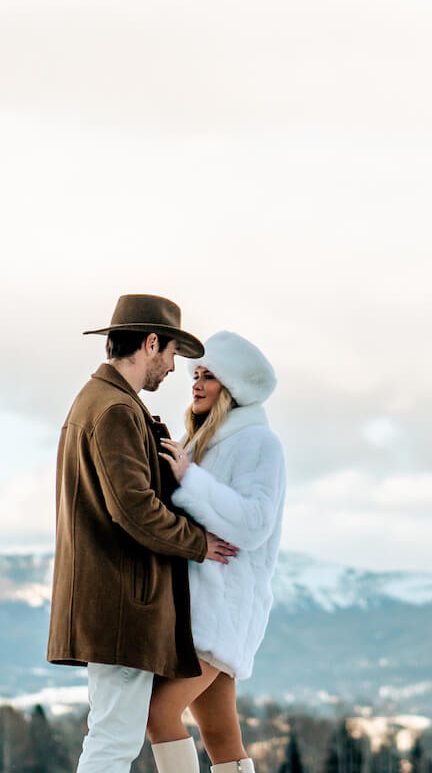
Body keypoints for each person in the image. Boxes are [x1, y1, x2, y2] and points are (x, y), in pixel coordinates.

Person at [48, 294, 241, 773]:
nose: (175, 368)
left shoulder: (108, 402)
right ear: (151, 343)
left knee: (113, 732)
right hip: (120, 605)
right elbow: (134, 510)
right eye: (173, 353)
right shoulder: (114, 409)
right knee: (114, 738)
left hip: (113, 602)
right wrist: (200, 543)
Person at [146, 331, 286, 773]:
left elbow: (254, 524)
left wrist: (190, 480)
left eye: (209, 376)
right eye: (196, 374)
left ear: (234, 388)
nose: (196, 383)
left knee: (158, 715)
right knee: (223, 738)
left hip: (222, 606)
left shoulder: (260, 444)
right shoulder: (199, 442)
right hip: (200, 604)